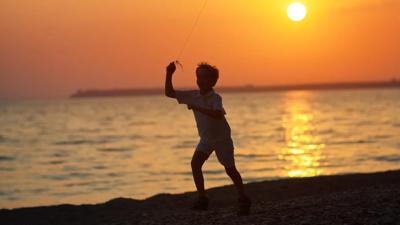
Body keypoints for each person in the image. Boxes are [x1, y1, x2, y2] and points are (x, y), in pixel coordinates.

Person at [164, 61, 251, 216]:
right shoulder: (192, 95)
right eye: (198, 77)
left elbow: (218, 114)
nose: (199, 80)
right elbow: (169, 93)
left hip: (222, 138)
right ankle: (202, 199)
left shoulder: (215, 97)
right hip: (206, 139)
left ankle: (243, 198)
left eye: (202, 78)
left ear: (212, 81)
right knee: (195, 164)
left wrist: (197, 107)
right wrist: (169, 73)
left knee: (230, 169)